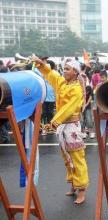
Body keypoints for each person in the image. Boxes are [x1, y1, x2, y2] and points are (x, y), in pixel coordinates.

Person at [32, 56, 89, 204]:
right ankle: (73, 184)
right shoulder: (62, 82)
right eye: (64, 69)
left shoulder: (76, 89)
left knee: (77, 158)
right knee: (66, 157)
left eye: (68, 69)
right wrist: (41, 64)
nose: (64, 71)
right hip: (62, 127)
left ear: (76, 72)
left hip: (72, 127)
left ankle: (82, 189)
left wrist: (54, 122)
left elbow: (69, 108)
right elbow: (51, 74)